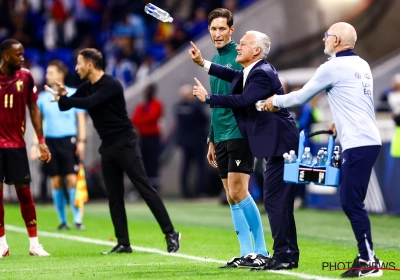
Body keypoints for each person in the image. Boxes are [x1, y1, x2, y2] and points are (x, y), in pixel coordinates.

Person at [263, 22, 383, 277]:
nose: (324, 40)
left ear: (337, 40)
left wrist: (274, 101)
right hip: (367, 139)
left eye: (327, 36)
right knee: (352, 201)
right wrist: (339, 123)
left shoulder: (332, 67)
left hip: (358, 142)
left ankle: (369, 261)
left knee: (351, 202)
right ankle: (366, 257)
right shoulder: (362, 64)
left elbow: (299, 97)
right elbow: (356, 100)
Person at [45, 48, 180, 254]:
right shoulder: (87, 86)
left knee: (144, 188)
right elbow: (67, 106)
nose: (76, 68)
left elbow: (88, 103)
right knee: (114, 196)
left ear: (90, 65)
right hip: (107, 146)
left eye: (79, 63)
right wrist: (63, 96)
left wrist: (66, 99)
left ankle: (171, 232)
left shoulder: (111, 85)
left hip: (125, 142)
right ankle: (123, 243)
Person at [189, 30, 300, 270]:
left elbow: (242, 101)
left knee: (275, 200)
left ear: (256, 51)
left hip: (282, 143)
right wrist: (203, 63)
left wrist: (208, 98)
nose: (237, 46)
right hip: (276, 143)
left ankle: (282, 255)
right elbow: (229, 74)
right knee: (276, 200)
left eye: (243, 43)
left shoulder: (262, 74)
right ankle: (286, 254)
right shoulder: (252, 71)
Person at [190, 8, 270, 269]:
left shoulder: (241, 57)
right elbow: (216, 106)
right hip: (221, 134)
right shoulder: (215, 59)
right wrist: (211, 140)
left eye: (222, 28)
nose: (217, 34)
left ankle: (262, 250)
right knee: (230, 196)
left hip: (239, 133)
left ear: (232, 30)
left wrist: (204, 65)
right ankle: (246, 252)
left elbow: (239, 98)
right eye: (213, 29)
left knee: (239, 191)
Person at [0, 39, 52, 257]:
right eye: (18, 55)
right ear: (6, 57)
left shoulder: (26, 76)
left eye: (22, 54)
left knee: (25, 193)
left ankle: (34, 244)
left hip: (16, 144)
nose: (22, 58)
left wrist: (40, 140)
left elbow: (33, 108)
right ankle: (2, 244)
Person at [34, 60, 86, 230]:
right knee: (56, 181)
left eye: (50, 72)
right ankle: (63, 221)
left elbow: (81, 119)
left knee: (72, 179)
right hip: (50, 142)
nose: (47, 75)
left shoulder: (73, 93)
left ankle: (78, 219)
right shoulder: (42, 98)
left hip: (68, 140)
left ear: (60, 74)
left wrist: (82, 141)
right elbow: (38, 123)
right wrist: (36, 144)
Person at [174, 84, 208, 198]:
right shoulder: (196, 107)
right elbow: (204, 120)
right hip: (197, 140)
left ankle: (185, 192)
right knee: (200, 167)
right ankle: (200, 190)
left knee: (186, 167)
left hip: (185, 141)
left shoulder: (178, 107)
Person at [131, 83, 163, 191]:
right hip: (143, 137)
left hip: (154, 137)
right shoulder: (141, 106)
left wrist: (142, 120)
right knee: (143, 161)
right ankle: (145, 185)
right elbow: (135, 120)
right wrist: (143, 120)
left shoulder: (157, 104)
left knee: (153, 161)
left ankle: (155, 185)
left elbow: (153, 117)